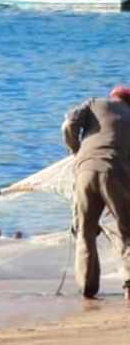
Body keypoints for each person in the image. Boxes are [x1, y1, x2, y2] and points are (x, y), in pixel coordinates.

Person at [62, 84, 130, 300]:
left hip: (84, 172)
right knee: (127, 232)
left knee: (85, 231)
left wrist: (76, 150)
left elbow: (68, 125)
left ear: (113, 96)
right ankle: (129, 286)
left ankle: (87, 290)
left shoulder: (93, 103)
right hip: (116, 172)